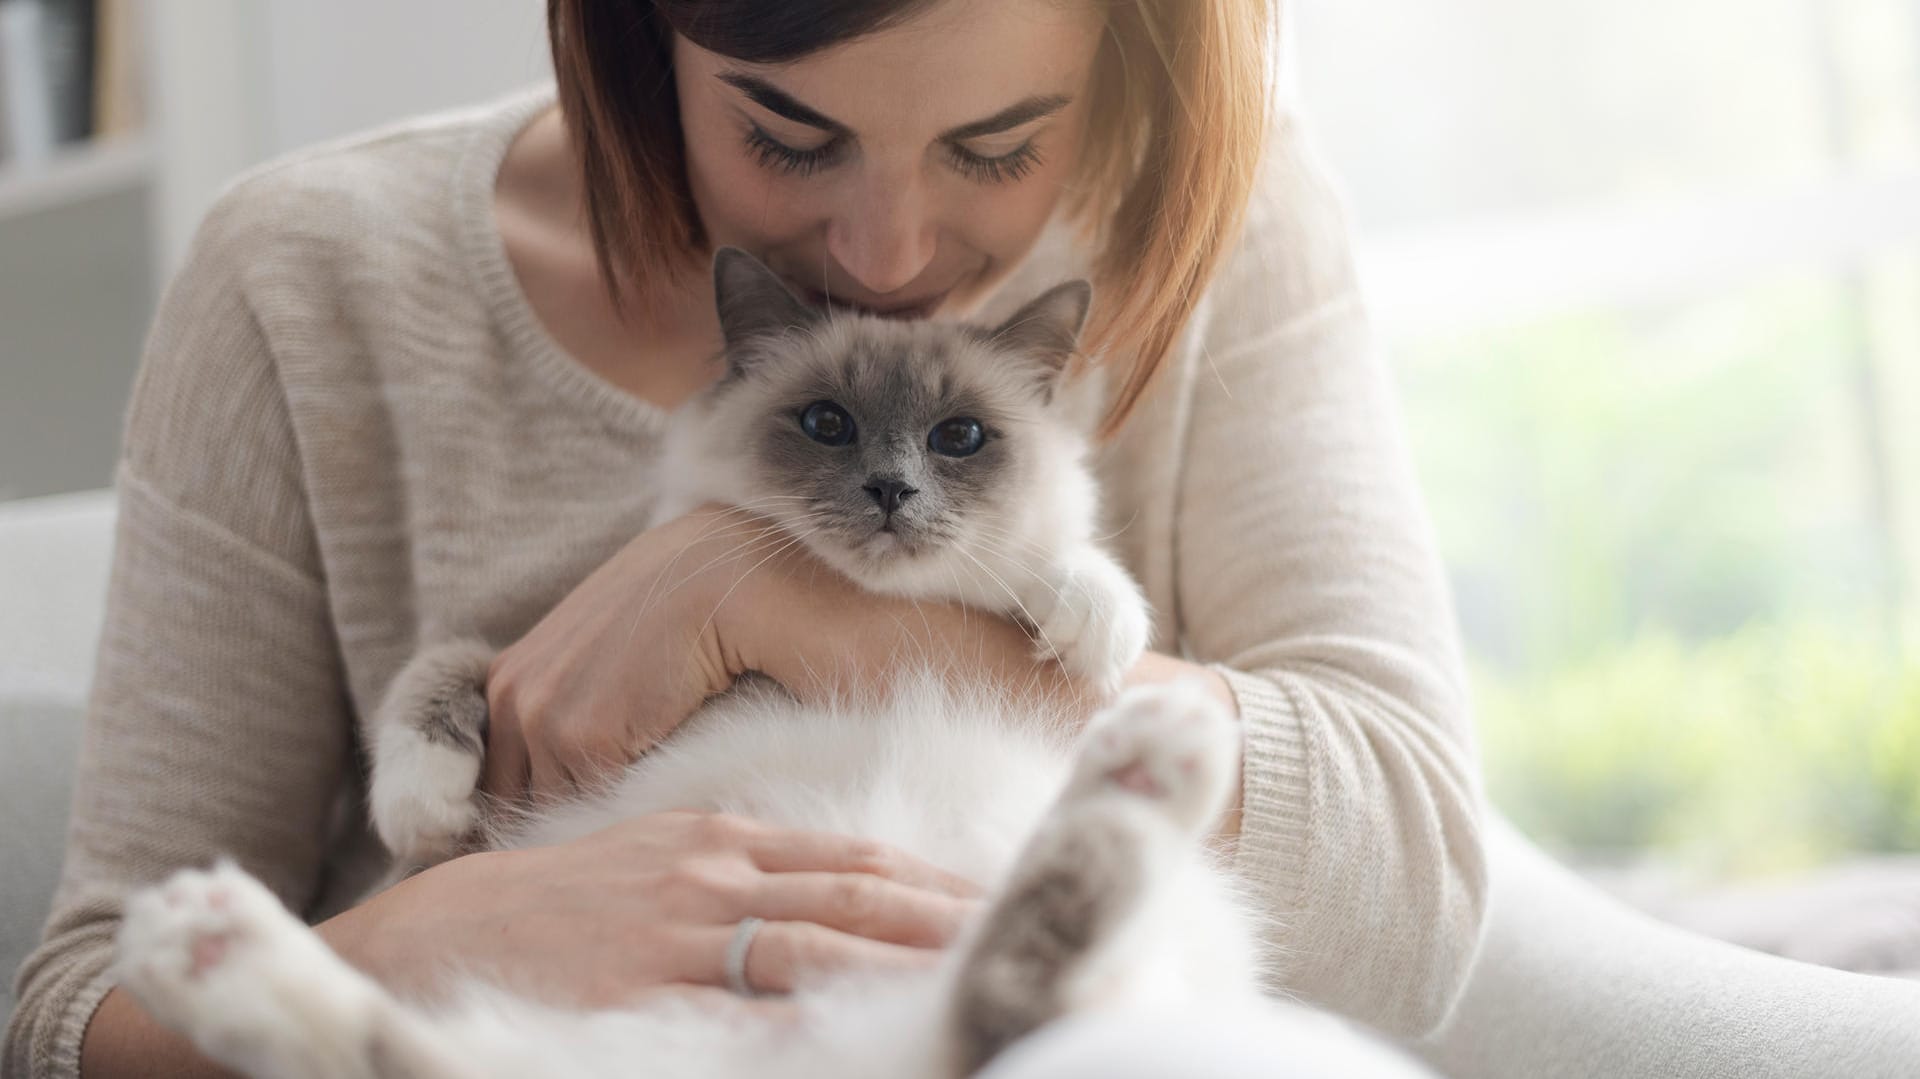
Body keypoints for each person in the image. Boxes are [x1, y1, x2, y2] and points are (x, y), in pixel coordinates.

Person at [9, 1, 1914, 1077]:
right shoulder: (306, 279)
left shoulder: (1222, 230)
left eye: (999, 148)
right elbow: (72, 996)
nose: (893, 253)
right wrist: (431, 937)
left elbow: (1422, 875)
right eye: (787, 134)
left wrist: (800, 602)